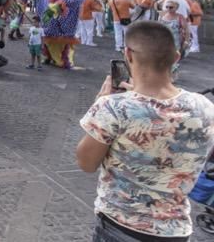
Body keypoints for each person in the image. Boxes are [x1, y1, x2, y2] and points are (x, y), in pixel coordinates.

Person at [76, 21, 214, 241]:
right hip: (176, 232)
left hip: (120, 228)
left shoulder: (114, 107)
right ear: (176, 57)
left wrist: (100, 104)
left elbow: (86, 163)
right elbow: (198, 157)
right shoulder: (205, 108)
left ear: (128, 54)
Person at [159, 0, 188, 67]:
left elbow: (186, 30)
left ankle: (172, 74)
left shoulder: (180, 17)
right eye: (167, 7)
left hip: (175, 43)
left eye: (171, 7)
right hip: (163, 42)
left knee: (173, 61)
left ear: (176, 8)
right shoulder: (162, 15)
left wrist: (186, 42)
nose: (168, 9)